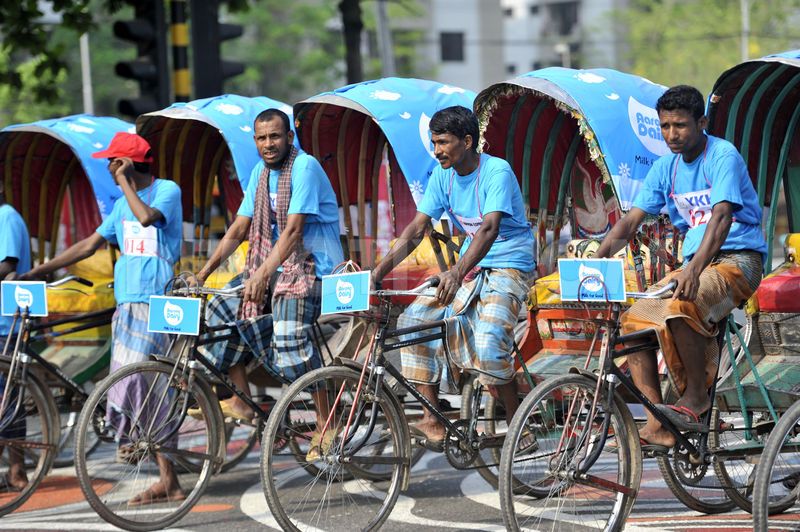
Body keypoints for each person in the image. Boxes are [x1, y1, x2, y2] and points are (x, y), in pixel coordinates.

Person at [595, 85, 766, 449]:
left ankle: (696, 398)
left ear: (701, 122)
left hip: (738, 261)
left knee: (679, 305)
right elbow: (631, 221)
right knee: (635, 319)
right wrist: (597, 255)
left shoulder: (722, 156)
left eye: (681, 125)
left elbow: (721, 218)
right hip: (697, 266)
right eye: (665, 126)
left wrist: (693, 269)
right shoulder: (665, 168)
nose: (672, 134)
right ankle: (659, 417)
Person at [21, 132, 184, 505]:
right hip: (127, 302)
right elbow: (90, 243)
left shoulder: (166, 191)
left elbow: (146, 219)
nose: (108, 168)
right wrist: (40, 270)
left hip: (158, 300)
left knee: (144, 378)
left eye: (113, 161)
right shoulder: (120, 205)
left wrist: (125, 182)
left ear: (127, 164)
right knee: (131, 381)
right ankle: (168, 479)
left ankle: (140, 447)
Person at [371, 105, 536, 449]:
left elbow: (489, 228)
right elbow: (417, 229)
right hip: (469, 267)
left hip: (509, 265)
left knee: (490, 345)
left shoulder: (496, 171)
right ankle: (432, 418)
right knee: (414, 320)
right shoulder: (441, 176)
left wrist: (456, 272)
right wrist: (378, 273)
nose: (437, 151)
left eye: (444, 143)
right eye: (434, 143)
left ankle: (518, 423)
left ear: (468, 141)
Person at [194, 108, 343, 459]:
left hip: (316, 270)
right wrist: (202, 275)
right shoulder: (260, 174)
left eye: (275, 136)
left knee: (290, 335)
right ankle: (241, 398)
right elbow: (239, 228)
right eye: (261, 138)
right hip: (277, 269)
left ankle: (327, 422)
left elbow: (293, 232)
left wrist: (261, 276)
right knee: (219, 308)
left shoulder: (304, 167)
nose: (268, 144)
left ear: (289, 137)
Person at [0, 189, 32, 491]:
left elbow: (7, 266)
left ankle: (17, 469)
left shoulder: (6, 217)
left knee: (10, 396)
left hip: (6, 321)